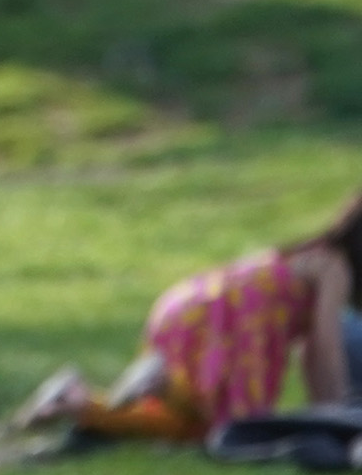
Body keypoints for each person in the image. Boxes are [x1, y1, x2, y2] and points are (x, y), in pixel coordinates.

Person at [18, 190, 362, 446]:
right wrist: (335, 414)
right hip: (237, 322)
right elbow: (325, 342)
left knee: (190, 428)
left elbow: (312, 353)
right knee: (237, 431)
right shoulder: (333, 266)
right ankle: (165, 385)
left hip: (188, 304)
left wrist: (325, 413)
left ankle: (76, 399)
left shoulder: (302, 255)